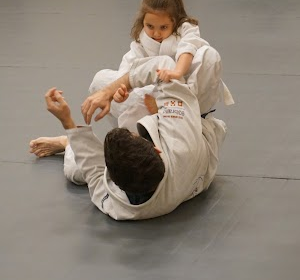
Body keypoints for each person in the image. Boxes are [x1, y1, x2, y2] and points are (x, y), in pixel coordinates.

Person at [30, 47, 234, 220]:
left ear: (112, 177)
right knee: (208, 56)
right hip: (196, 130)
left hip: (175, 143)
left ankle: (68, 144)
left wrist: (67, 120)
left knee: (76, 171)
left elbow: (93, 172)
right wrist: (159, 110)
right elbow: (165, 66)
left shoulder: (116, 206)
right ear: (156, 148)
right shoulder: (181, 144)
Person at [88, 0, 212, 133]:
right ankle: (127, 135)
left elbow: (188, 48)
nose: (156, 33)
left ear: (175, 21)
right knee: (99, 81)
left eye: (164, 27)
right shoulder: (141, 42)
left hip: (182, 100)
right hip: (148, 97)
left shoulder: (186, 30)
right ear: (143, 21)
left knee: (209, 56)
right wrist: (120, 92)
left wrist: (177, 72)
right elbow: (129, 71)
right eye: (150, 26)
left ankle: (156, 113)